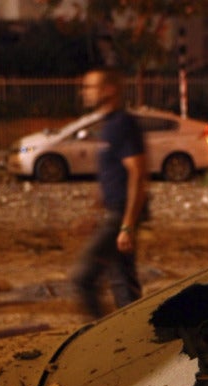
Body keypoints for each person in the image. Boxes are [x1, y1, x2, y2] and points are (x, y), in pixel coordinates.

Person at [71, 68, 149, 318]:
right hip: (114, 213)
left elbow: (137, 172)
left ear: (109, 90)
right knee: (123, 284)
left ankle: (98, 339)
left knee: (82, 278)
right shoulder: (108, 126)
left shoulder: (122, 124)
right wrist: (95, 214)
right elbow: (114, 176)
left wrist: (126, 225)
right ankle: (138, 341)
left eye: (89, 87)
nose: (84, 93)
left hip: (121, 215)